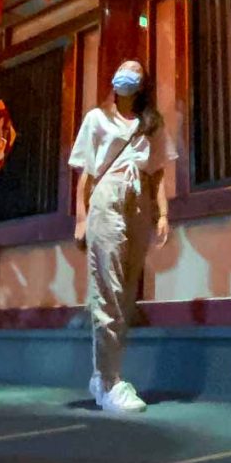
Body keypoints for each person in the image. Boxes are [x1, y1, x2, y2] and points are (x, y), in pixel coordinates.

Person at [69, 60, 174, 413]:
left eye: (134, 70)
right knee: (108, 289)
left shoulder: (151, 124)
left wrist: (162, 213)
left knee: (127, 293)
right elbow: (86, 175)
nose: (126, 73)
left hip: (139, 201)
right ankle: (110, 381)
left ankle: (104, 376)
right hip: (107, 200)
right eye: (122, 68)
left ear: (142, 83)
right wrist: (81, 218)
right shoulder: (96, 119)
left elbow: (157, 172)